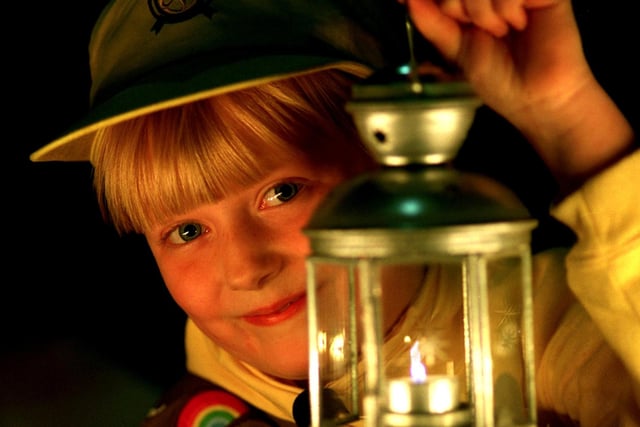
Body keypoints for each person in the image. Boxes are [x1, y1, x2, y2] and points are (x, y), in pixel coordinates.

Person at [30, 0, 639, 426]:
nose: (245, 269)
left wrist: (567, 117)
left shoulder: (548, 331)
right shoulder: (204, 400)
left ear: (395, 152)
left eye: (283, 192)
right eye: (186, 230)